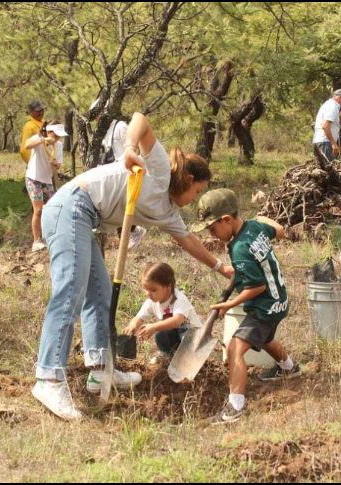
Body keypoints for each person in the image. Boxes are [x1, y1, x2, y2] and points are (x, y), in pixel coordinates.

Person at [31, 112, 233, 422]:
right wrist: (128, 147)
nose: (193, 200)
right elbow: (141, 119)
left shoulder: (168, 213)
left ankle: (101, 371)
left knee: (98, 296)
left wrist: (221, 267)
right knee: (70, 290)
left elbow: (189, 241)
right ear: (189, 180)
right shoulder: (160, 170)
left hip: (86, 220)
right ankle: (48, 379)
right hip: (69, 208)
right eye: (195, 193)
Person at [192, 188, 299, 425]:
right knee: (265, 337)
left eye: (212, 228)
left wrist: (229, 304)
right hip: (278, 299)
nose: (210, 234)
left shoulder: (240, 247)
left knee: (235, 349)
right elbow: (279, 230)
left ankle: (235, 406)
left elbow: (257, 286)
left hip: (265, 304)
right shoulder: (254, 227)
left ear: (227, 220)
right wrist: (261, 218)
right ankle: (288, 367)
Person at [90, 98, 146, 249]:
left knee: (122, 206)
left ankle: (129, 236)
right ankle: (131, 233)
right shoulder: (100, 132)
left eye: (98, 113)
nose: (96, 118)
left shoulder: (120, 126)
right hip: (108, 174)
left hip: (123, 172)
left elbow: (133, 146)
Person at [122, 263, 202, 365]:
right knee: (161, 335)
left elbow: (177, 321)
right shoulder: (151, 301)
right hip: (176, 336)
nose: (148, 293)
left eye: (153, 290)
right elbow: (139, 317)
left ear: (168, 286)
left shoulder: (179, 299)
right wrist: (133, 325)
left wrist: (154, 326)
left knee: (173, 331)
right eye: (145, 289)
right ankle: (167, 356)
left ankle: (189, 359)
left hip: (194, 338)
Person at [24, 122, 68, 252]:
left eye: (60, 136)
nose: (58, 138)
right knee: (38, 209)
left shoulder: (59, 145)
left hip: (47, 179)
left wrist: (55, 163)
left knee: (52, 208)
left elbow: (58, 164)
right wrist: (43, 140)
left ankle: (52, 236)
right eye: (56, 135)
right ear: (49, 132)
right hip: (34, 178)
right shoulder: (38, 139)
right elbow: (27, 145)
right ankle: (37, 241)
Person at [312, 89, 341, 161]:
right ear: (340, 97)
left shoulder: (330, 105)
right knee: (329, 169)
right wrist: (333, 143)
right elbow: (325, 126)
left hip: (322, 142)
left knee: (324, 169)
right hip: (325, 142)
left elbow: (336, 122)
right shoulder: (332, 107)